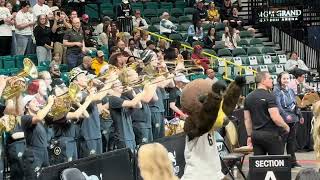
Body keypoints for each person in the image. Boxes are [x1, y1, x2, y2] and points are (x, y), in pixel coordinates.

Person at [244, 71, 290, 155]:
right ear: (263, 81)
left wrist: (249, 136)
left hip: (256, 135)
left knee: (259, 164)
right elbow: (276, 118)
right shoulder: (270, 96)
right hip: (271, 135)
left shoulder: (248, 97)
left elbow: (247, 120)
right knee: (277, 163)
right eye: (270, 78)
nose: (272, 80)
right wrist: (286, 126)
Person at [273, 72, 304, 168]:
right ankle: (280, 162)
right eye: (284, 78)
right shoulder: (276, 90)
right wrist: (285, 115)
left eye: (287, 78)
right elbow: (278, 106)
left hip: (294, 119)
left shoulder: (290, 90)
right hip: (283, 119)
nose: (286, 80)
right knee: (282, 141)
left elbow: (295, 104)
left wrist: (300, 115)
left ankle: (292, 162)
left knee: (291, 141)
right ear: (279, 79)